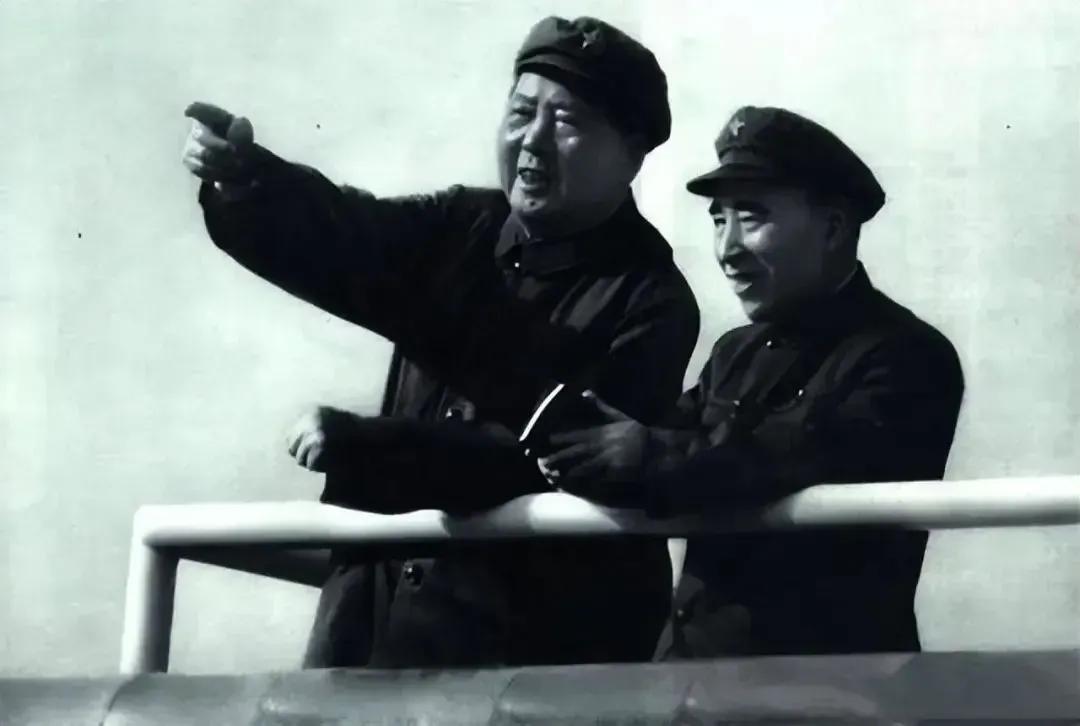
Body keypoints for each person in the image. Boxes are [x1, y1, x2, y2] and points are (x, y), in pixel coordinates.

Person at [180, 16, 700, 668]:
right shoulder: (461, 223)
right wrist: (246, 182)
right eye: (521, 113)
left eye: (566, 121)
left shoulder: (652, 300)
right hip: (364, 637)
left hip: (515, 667)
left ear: (632, 153)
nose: (533, 140)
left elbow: (547, 460)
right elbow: (344, 233)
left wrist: (365, 445)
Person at [538, 106, 965, 657]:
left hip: (830, 689)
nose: (727, 249)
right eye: (719, 220)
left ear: (834, 228)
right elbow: (663, 451)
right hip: (692, 683)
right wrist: (582, 448)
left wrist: (646, 452)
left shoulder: (908, 355)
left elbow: (788, 456)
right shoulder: (733, 353)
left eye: (752, 216)